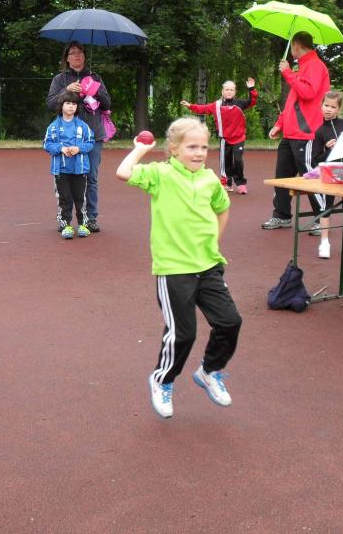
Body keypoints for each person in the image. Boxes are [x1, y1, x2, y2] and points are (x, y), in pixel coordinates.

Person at [116, 117, 242, 419]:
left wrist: (214, 242)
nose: (199, 153)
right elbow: (123, 172)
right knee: (183, 334)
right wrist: (140, 150)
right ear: (173, 149)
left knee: (230, 322)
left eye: (204, 147)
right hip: (174, 269)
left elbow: (223, 209)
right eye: (192, 147)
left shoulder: (209, 179)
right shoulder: (161, 174)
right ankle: (162, 380)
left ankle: (209, 371)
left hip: (208, 265)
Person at [262, 31, 330, 230]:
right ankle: (281, 215)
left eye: (292, 46)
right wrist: (280, 123)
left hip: (306, 133)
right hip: (291, 132)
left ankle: (322, 219)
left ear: (297, 46)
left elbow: (308, 93)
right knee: (282, 177)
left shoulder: (315, 65)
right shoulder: (302, 67)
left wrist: (287, 73)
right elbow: (294, 100)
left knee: (310, 176)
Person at [46, 42, 111, 233]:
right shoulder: (60, 79)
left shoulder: (95, 77)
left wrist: (95, 91)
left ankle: (90, 219)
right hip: (66, 137)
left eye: (80, 52)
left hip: (92, 135)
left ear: (84, 56)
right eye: (73, 53)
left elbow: (107, 103)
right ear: (67, 58)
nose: (77, 55)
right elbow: (50, 104)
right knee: (65, 178)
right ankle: (65, 220)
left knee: (90, 177)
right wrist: (67, 90)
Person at [180, 78, 258, 194]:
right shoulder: (216, 105)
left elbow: (252, 101)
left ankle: (240, 183)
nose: (229, 92)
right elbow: (203, 109)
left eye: (231, 90)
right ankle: (227, 183)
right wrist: (190, 106)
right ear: (222, 91)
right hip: (224, 139)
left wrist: (251, 89)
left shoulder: (239, 104)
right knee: (225, 162)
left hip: (238, 138)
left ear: (235, 92)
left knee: (238, 160)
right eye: (227, 89)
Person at [312, 91, 343, 259]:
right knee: (326, 207)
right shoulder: (319, 132)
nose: (328, 109)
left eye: (333, 107)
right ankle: (324, 243)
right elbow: (316, 159)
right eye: (326, 105)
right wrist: (328, 150)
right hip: (329, 175)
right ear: (321, 106)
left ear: (338, 109)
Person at [43, 91, 95, 239]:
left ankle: (83, 224)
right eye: (68, 103)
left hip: (80, 169)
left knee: (80, 198)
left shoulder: (83, 126)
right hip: (61, 170)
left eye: (74, 104)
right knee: (64, 198)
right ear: (61, 105)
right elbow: (47, 144)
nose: (71, 106)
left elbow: (90, 143)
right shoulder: (53, 127)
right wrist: (61, 148)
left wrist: (79, 148)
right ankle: (65, 225)